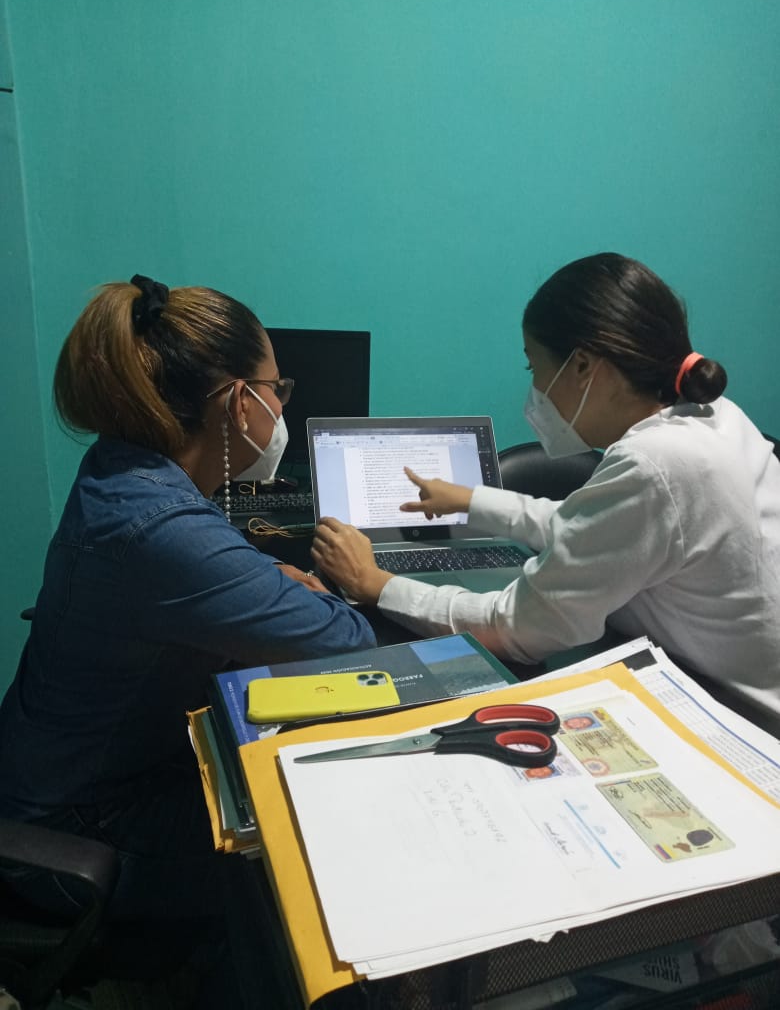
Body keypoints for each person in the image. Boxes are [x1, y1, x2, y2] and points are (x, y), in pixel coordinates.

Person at [0, 275, 375, 1002]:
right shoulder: (163, 531)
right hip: (80, 825)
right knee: (313, 849)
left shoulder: (122, 470)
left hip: (65, 773)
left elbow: (187, 576)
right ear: (239, 403)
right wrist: (338, 584)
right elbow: (349, 641)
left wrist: (253, 583)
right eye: (278, 390)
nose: (282, 407)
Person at [312, 253, 780, 726]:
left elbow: (515, 630)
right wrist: (469, 500)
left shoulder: (655, 463)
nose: (535, 388)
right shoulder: (715, 419)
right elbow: (591, 531)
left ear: (583, 366)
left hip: (740, 718)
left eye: (533, 366)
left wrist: (375, 584)